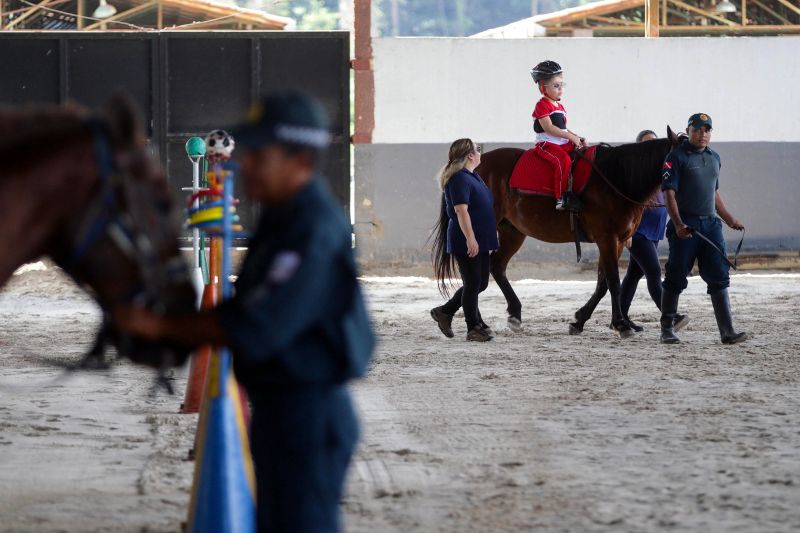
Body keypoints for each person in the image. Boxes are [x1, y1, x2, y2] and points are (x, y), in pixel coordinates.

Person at [115, 91, 375, 532]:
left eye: (258, 153)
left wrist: (157, 326)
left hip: (307, 415)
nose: (245, 163)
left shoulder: (309, 227)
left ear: (298, 158)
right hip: (280, 408)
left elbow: (255, 325)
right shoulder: (282, 217)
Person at [660, 113, 747, 345]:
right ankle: (667, 329)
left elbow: (714, 193)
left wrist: (729, 220)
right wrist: (678, 224)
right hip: (687, 224)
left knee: (719, 276)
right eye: (698, 129)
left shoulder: (714, 158)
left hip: (711, 225)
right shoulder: (675, 158)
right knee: (676, 276)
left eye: (707, 130)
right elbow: (669, 194)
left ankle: (727, 332)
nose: (703, 134)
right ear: (688, 130)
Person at [430, 138, 499, 342]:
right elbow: (461, 211)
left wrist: (491, 232)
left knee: (481, 283)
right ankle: (473, 327)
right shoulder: (458, 178)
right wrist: (470, 238)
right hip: (466, 237)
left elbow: (484, 208)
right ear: (470, 155)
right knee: (472, 282)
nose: (480, 153)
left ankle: (445, 311)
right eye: (478, 150)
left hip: (481, 236)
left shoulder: (474, 176)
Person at [619, 130, 688, 332]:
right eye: (647, 143)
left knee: (633, 274)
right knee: (654, 272)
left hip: (654, 231)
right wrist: (627, 233)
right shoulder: (634, 173)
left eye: (654, 142)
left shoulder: (661, 170)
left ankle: (620, 317)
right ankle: (670, 315)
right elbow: (625, 205)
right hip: (638, 231)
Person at [529, 60, 586, 211]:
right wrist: (570, 137)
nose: (560, 89)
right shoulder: (542, 105)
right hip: (547, 144)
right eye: (556, 86)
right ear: (543, 88)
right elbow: (549, 128)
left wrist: (576, 136)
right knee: (563, 161)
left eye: (562, 85)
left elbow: (564, 128)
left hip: (561, 143)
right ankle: (561, 197)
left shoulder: (560, 106)